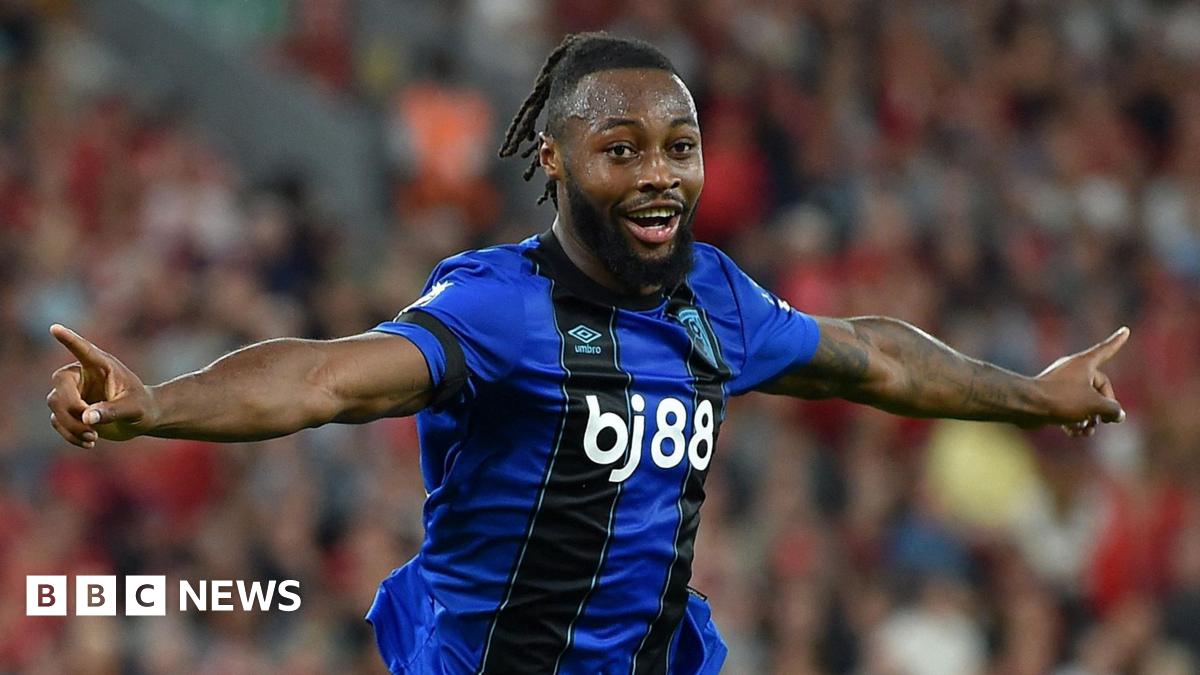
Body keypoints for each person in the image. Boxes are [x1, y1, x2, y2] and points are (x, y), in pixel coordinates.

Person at [45, 33, 1128, 675]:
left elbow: (875, 360)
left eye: (679, 148)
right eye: (623, 151)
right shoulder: (499, 308)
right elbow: (324, 378)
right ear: (554, 162)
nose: (660, 176)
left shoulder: (718, 298)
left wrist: (1032, 396)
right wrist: (159, 404)